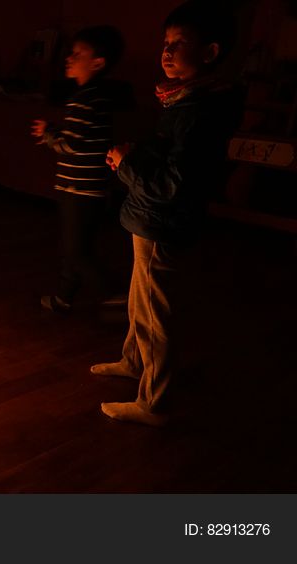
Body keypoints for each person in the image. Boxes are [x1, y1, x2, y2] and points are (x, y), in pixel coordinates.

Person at [93, 0, 242, 426]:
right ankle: (133, 362)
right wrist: (136, 155)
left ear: (210, 52)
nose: (167, 51)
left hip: (163, 223)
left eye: (179, 43)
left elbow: (173, 186)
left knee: (155, 313)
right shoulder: (184, 102)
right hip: (151, 220)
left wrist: (127, 164)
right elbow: (172, 164)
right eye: (165, 42)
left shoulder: (197, 111)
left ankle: (153, 402)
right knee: (140, 301)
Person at [31, 25, 126, 313]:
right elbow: (83, 138)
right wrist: (56, 130)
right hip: (89, 187)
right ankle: (64, 297)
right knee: (74, 246)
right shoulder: (95, 98)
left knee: (76, 250)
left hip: (80, 189)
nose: (68, 58)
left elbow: (70, 146)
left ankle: (115, 295)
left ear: (97, 63)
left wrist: (49, 134)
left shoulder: (83, 100)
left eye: (76, 54)